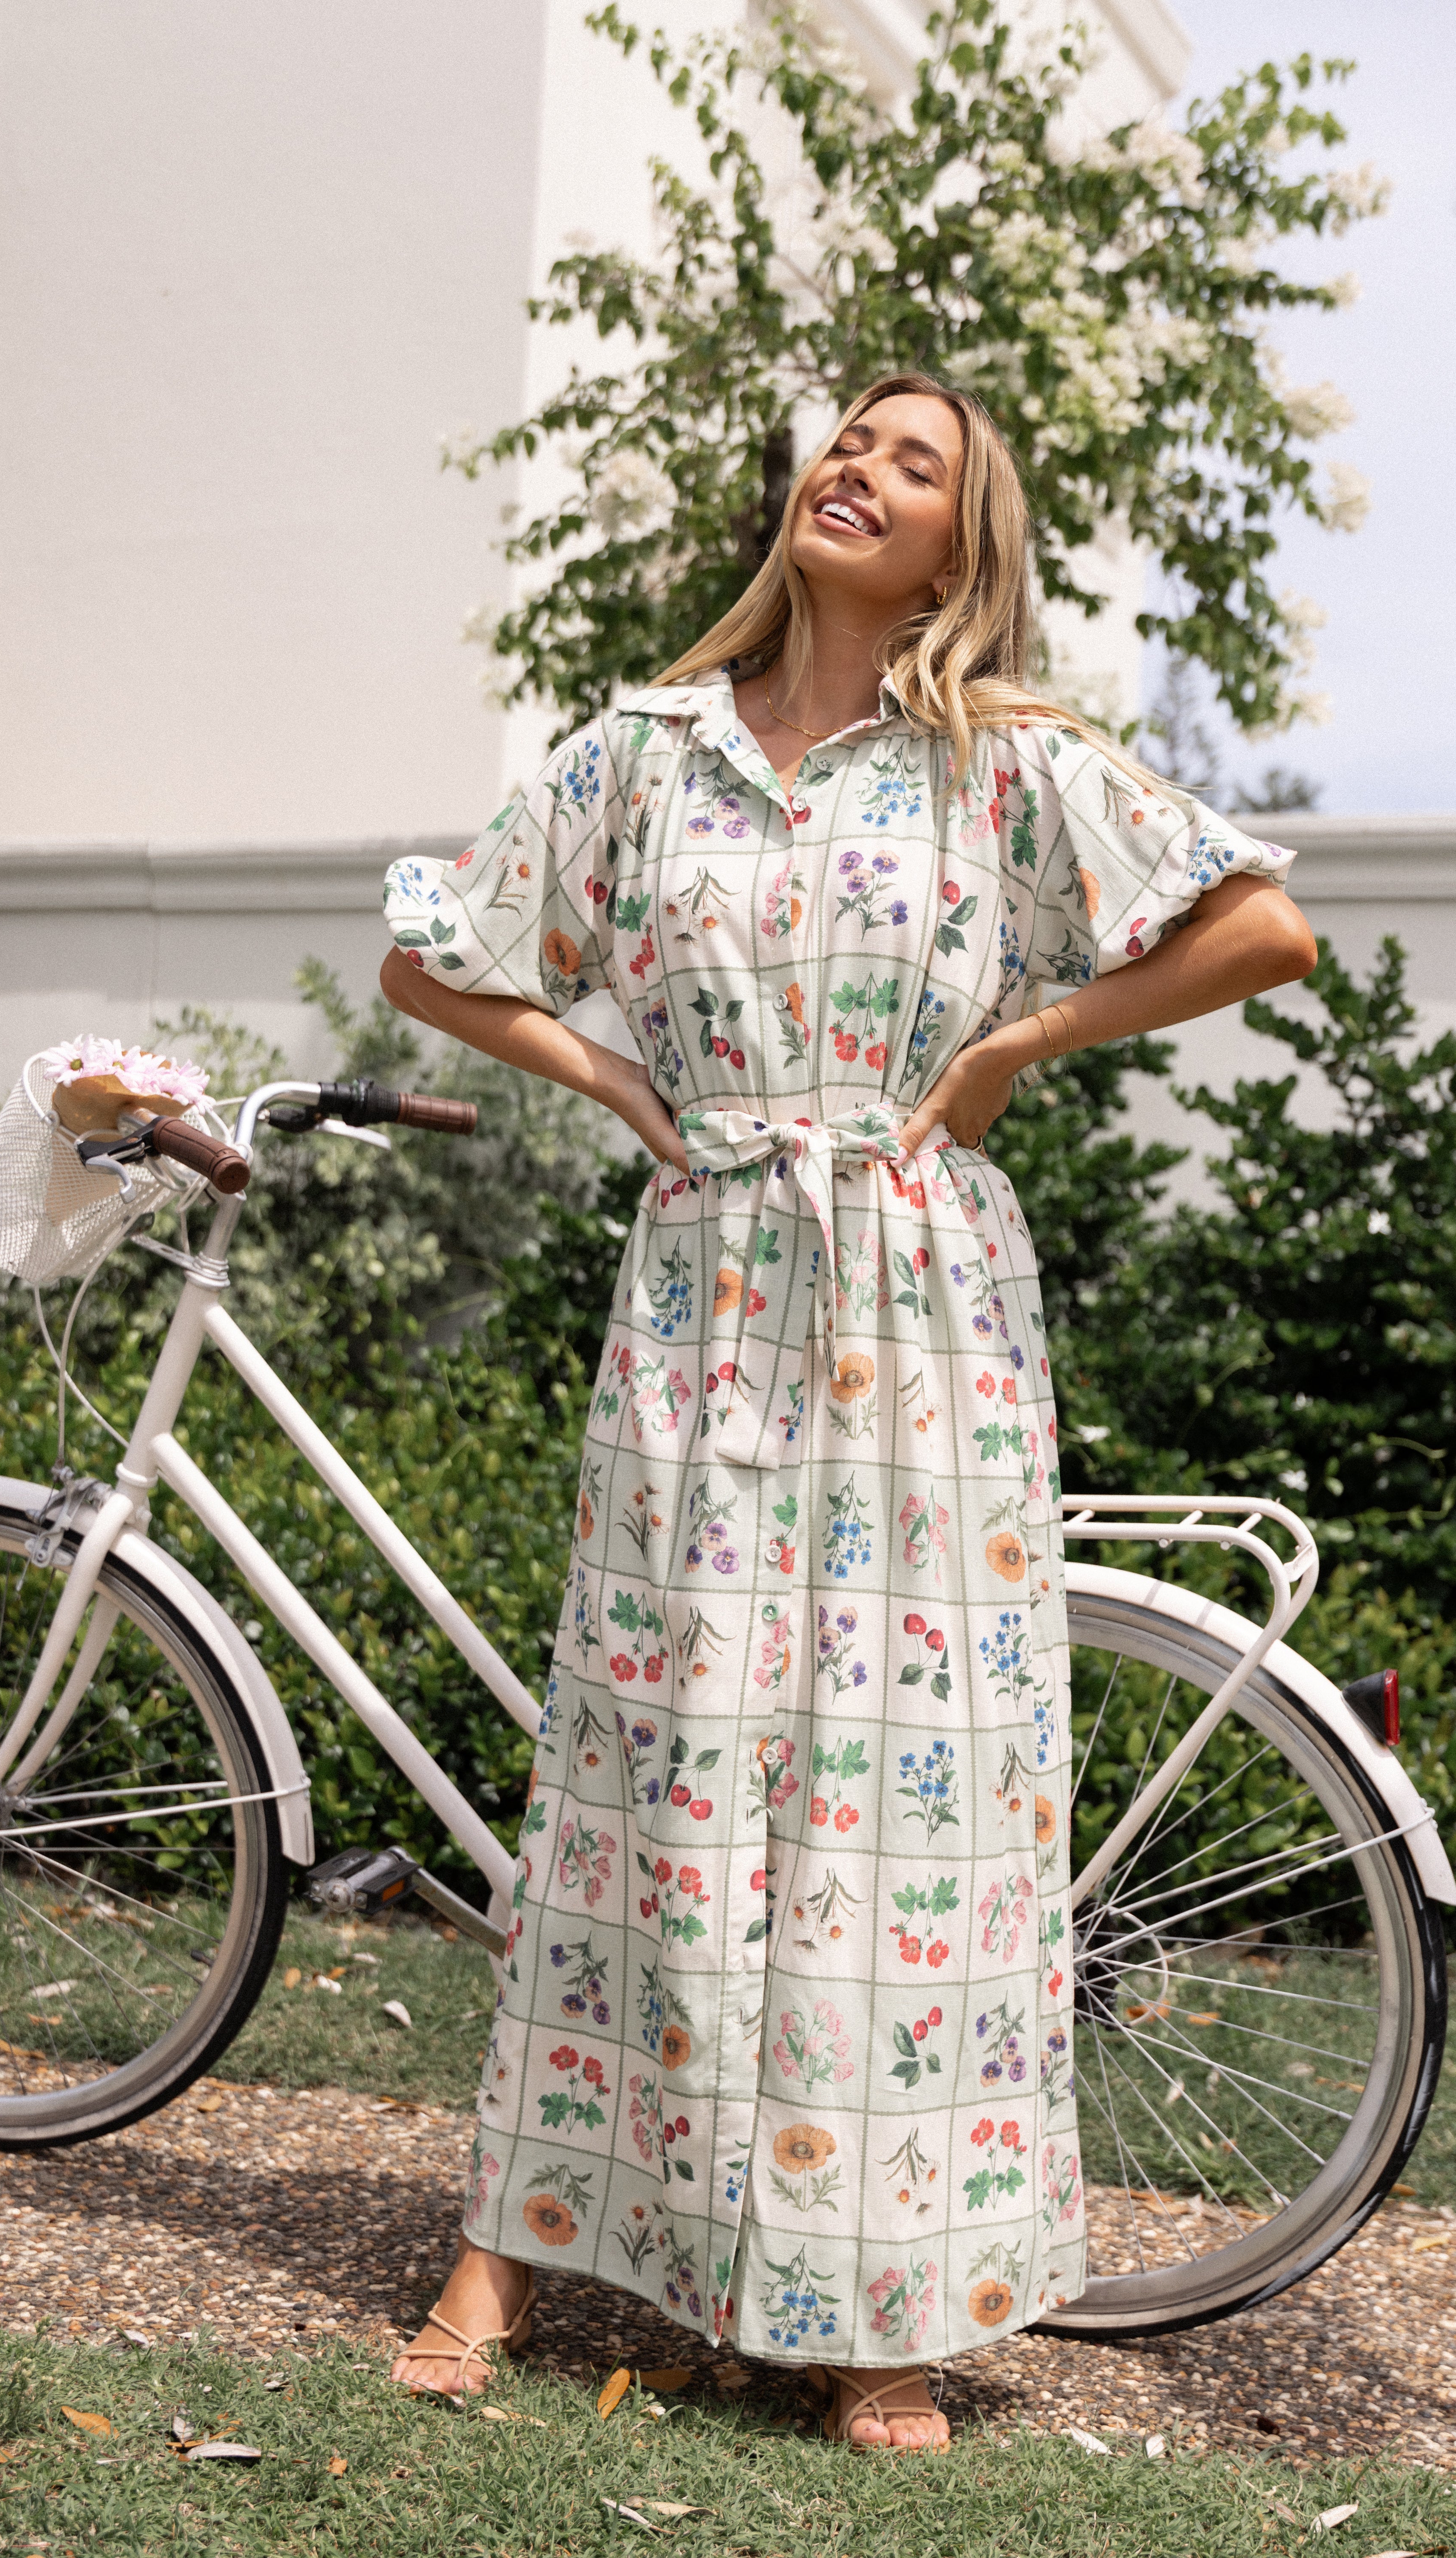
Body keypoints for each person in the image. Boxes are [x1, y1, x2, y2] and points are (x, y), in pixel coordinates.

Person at [377, 371, 1317, 2448]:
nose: (857, 470)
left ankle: (873, 2303)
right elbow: (436, 963)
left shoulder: (1004, 760)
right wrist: (622, 1086)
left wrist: (1011, 1049)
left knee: (897, 1791)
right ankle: (506, 2250)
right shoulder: (645, 750)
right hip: (705, 1283)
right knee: (650, 1752)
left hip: (918, 1291)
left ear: (960, 544)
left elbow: (1262, 928)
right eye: (846, 441)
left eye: (914, 464)